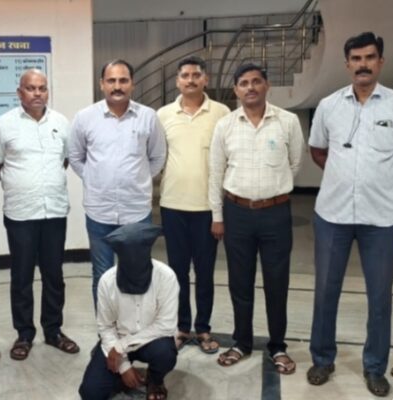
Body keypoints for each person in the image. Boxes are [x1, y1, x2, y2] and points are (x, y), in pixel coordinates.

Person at [307, 32, 393, 397]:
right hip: (332, 215)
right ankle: (322, 359)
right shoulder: (328, 105)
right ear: (347, 63)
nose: (363, 64)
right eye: (356, 58)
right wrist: (344, 176)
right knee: (325, 292)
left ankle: (375, 367)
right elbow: (318, 150)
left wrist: (381, 177)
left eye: (369, 57)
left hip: (381, 218)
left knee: (380, 297)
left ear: (380, 61)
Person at [209, 63, 304, 374]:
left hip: (276, 214)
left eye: (256, 81)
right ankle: (242, 342)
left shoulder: (287, 121)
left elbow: (295, 164)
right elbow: (216, 173)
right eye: (244, 83)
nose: (250, 87)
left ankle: (278, 346)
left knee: (277, 282)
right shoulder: (225, 125)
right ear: (236, 89)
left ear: (267, 85)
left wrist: (272, 190)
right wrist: (217, 215)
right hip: (237, 213)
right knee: (240, 282)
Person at [0, 69, 79, 361]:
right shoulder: (4, 125)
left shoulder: (61, 123)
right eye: (30, 88)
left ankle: (53, 331)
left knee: (54, 275)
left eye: (42, 88)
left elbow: (65, 159)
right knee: (22, 276)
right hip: (20, 213)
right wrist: (18, 181)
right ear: (19, 92)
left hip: (54, 211)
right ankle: (24, 334)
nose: (37, 93)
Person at [69, 59, 166, 306]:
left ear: (132, 84)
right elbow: (76, 157)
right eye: (111, 80)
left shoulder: (148, 117)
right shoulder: (85, 118)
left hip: (136, 213)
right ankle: (106, 327)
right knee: (102, 275)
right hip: (99, 212)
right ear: (101, 84)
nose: (117, 86)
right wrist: (94, 178)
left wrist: (138, 180)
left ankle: (134, 327)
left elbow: (157, 157)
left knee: (137, 275)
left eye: (123, 80)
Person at [157, 56, 229, 353]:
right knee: (176, 272)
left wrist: (219, 211)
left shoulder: (221, 113)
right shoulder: (163, 115)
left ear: (205, 79)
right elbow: (155, 155)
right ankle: (182, 326)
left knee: (205, 272)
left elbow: (227, 158)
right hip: (173, 205)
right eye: (185, 75)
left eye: (196, 75)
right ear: (177, 81)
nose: (190, 80)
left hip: (206, 209)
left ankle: (203, 328)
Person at [78, 222, 178, 400]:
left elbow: (166, 326)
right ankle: (119, 377)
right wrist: (123, 366)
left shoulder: (166, 277)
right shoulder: (107, 281)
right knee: (90, 393)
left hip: (152, 340)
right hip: (117, 338)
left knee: (165, 353)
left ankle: (155, 380)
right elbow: (105, 327)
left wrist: (120, 347)